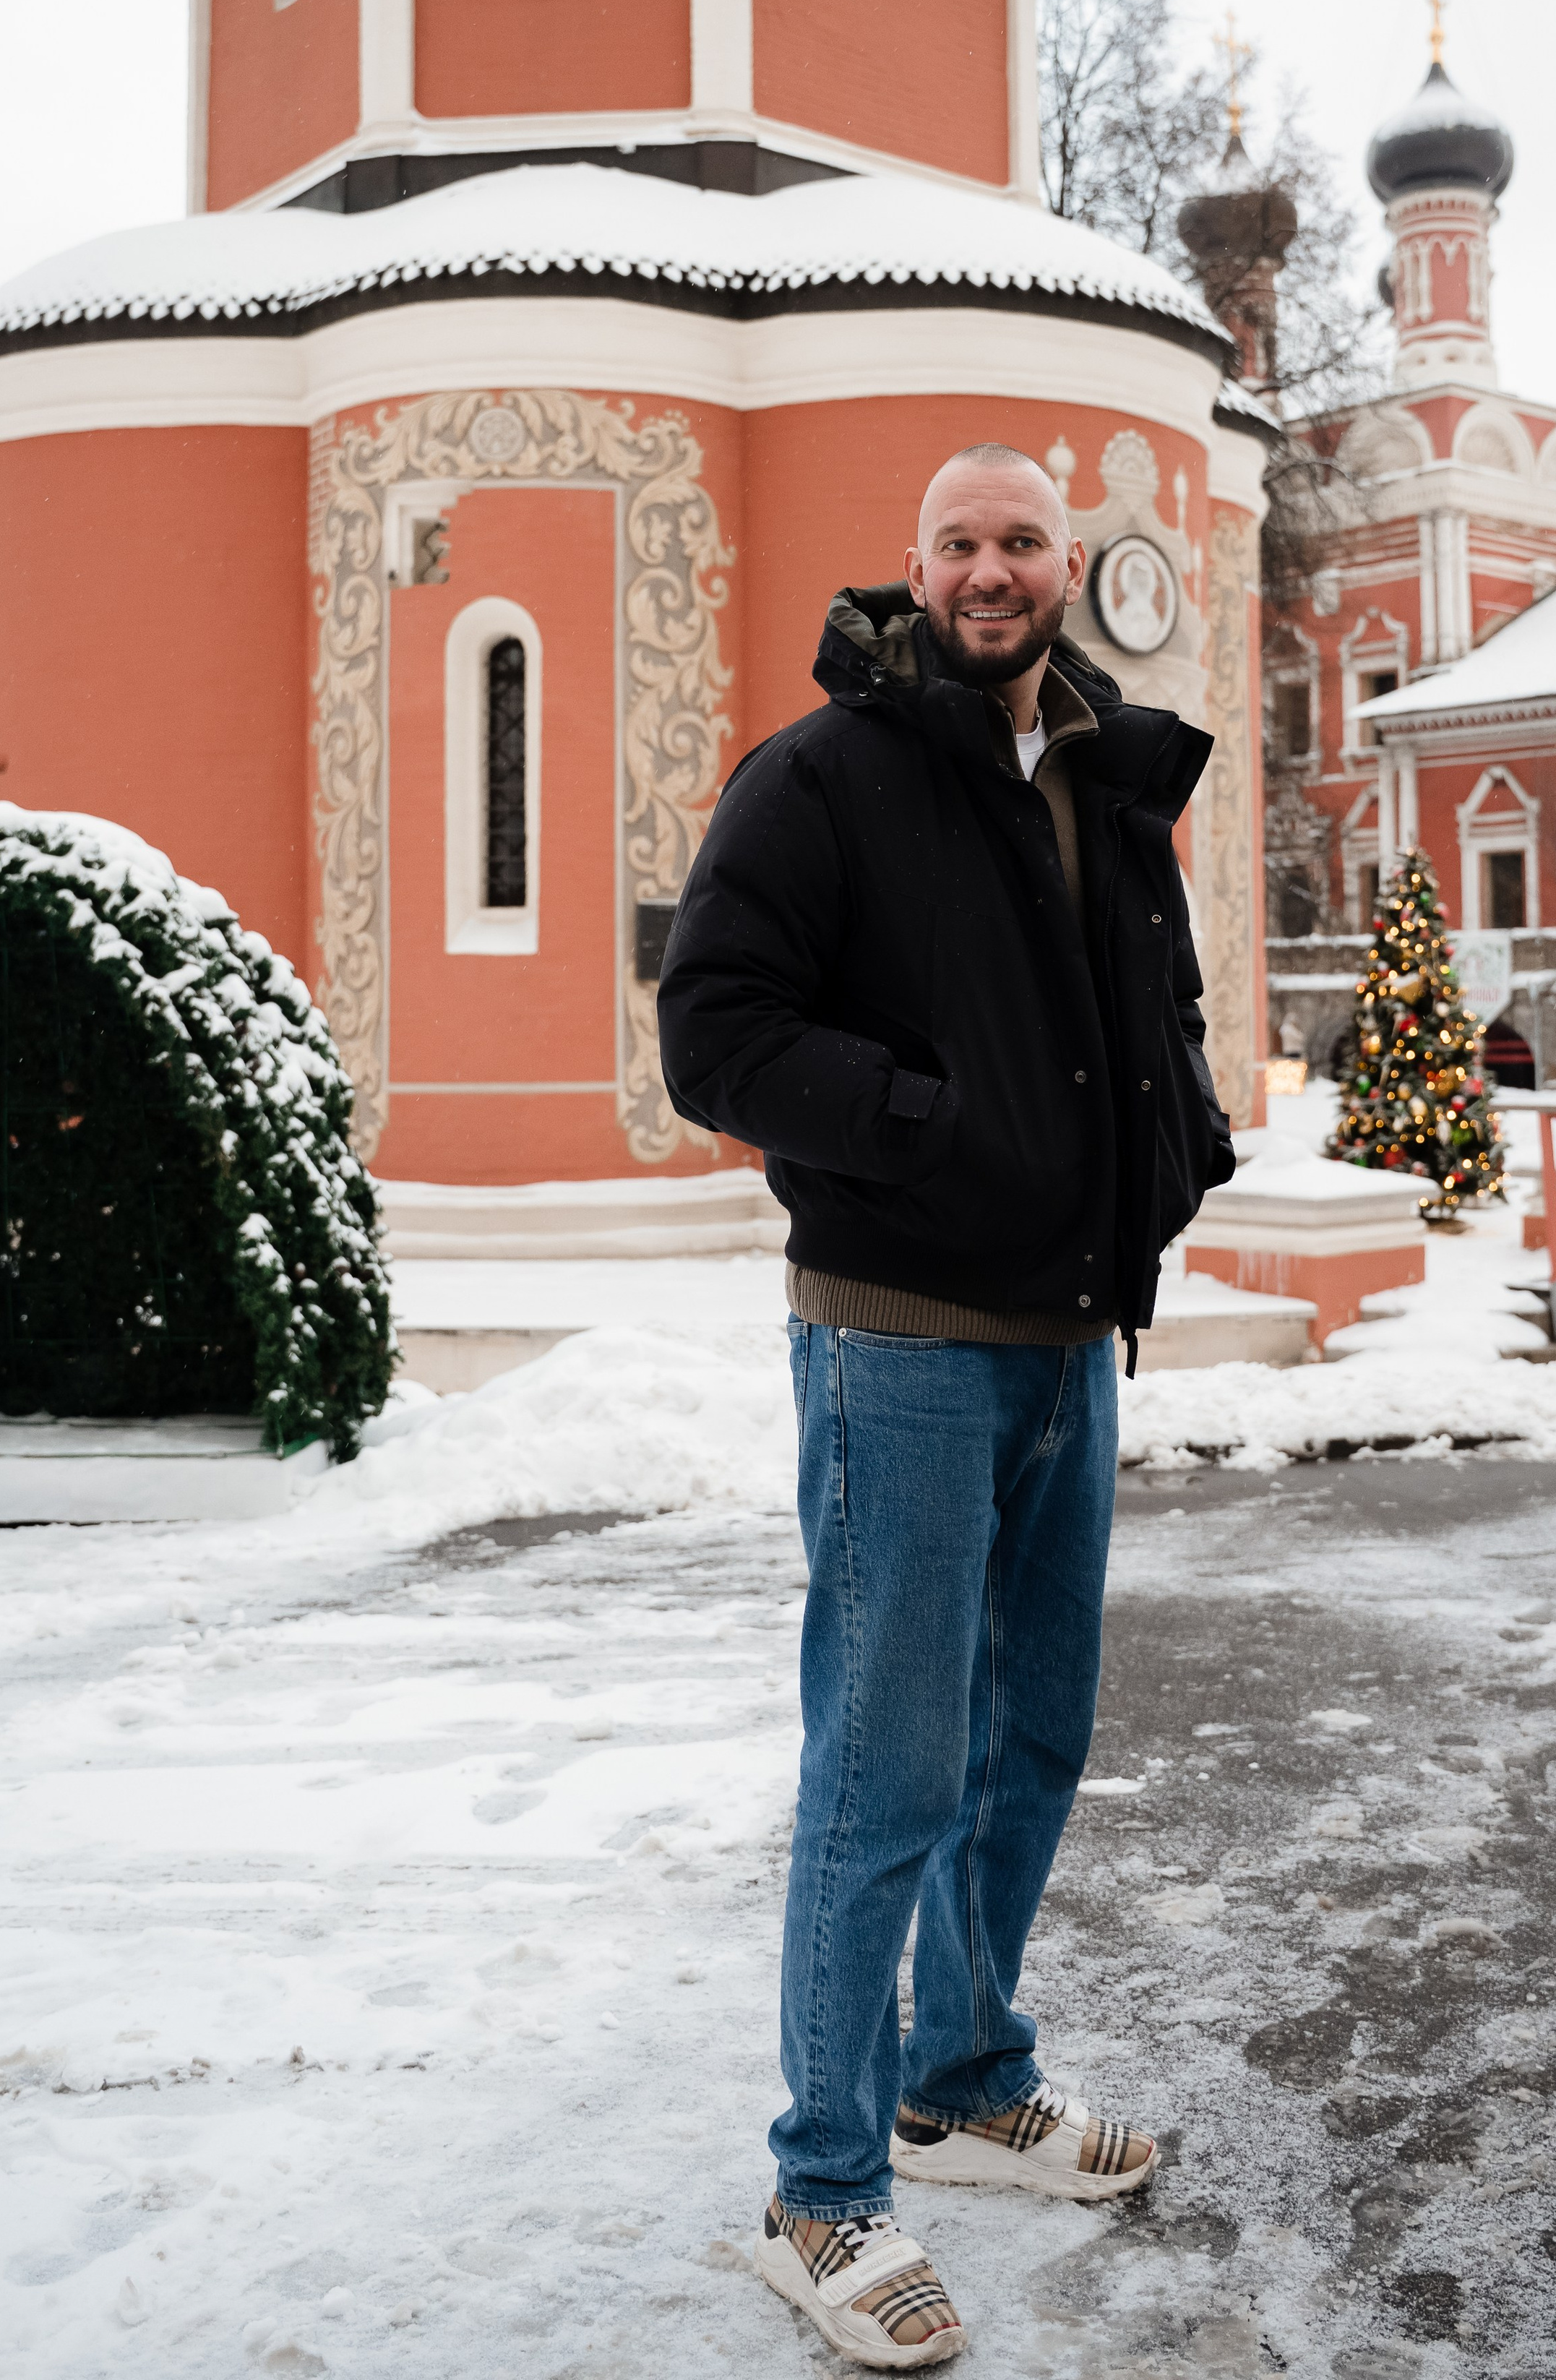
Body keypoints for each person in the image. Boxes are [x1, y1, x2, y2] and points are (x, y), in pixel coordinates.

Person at [658, 444, 1235, 2368]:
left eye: (1023, 542)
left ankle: (964, 2077)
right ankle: (822, 2191)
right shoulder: (821, 776)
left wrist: (1182, 1150)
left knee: (1029, 1738)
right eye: (962, 543)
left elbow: (1156, 1015)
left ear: (1066, 565)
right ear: (915, 568)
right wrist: (924, 1127)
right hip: (899, 1337)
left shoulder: (1103, 773)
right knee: (886, 1775)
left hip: (1069, 1338)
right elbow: (715, 1032)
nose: (994, 572)